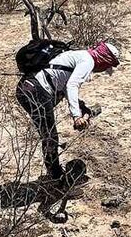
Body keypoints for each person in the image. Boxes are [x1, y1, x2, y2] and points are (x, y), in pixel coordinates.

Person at [16, 40, 120, 184]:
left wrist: (82, 108)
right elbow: (72, 85)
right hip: (36, 90)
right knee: (49, 136)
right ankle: (57, 179)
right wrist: (77, 116)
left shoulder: (79, 55)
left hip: (28, 87)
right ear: (105, 61)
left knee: (48, 135)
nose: (103, 70)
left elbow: (64, 85)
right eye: (106, 67)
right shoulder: (88, 61)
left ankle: (55, 174)